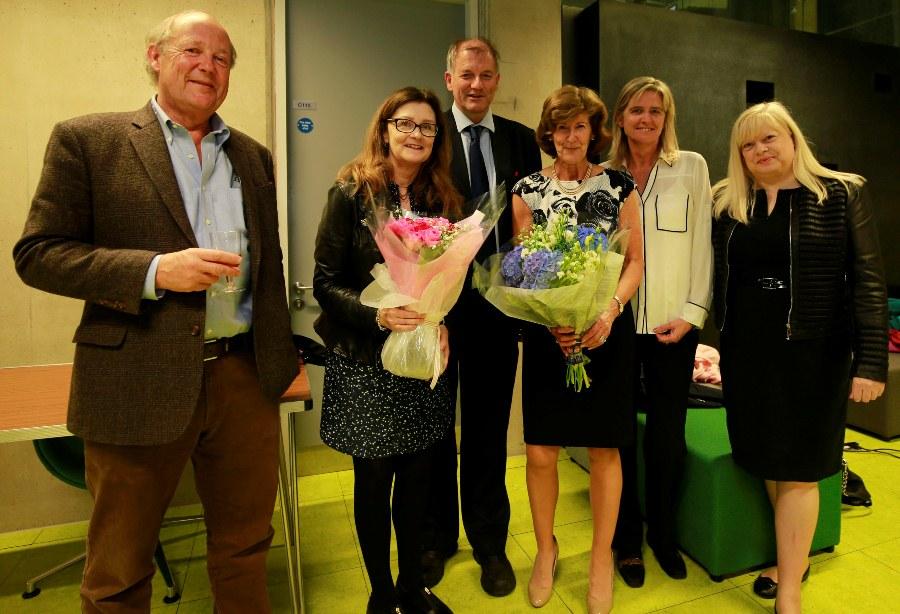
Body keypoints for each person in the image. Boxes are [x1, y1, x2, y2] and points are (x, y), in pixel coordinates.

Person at [12, 11, 298, 613]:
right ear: (154, 56)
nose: (208, 66)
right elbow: (39, 254)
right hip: (136, 377)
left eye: (222, 59)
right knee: (118, 568)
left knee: (246, 548)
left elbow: (265, 264)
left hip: (242, 377)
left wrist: (280, 358)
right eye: (193, 50)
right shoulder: (89, 140)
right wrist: (151, 272)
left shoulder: (253, 155)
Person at [712, 101, 887, 614]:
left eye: (769, 138)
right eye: (748, 144)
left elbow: (869, 280)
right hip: (747, 352)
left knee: (800, 467)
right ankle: (796, 558)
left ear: (793, 139)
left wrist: (872, 361)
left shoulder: (840, 192)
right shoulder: (729, 202)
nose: (760, 150)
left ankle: (789, 589)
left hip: (815, 352)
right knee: (770, 457)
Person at [313, 86, 461, 614]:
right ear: (384, 128)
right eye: (406, 124)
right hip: (364, 361)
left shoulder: (442, 198)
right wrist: (377, 313)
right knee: (374, 482)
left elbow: (449, 278)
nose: (416, 135)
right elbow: (325, 283)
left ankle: (410, 587)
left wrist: (441, 322)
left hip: (422, 362)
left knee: (419, 479)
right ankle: (380, 593)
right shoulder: (350, 194)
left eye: (427, 127)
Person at [510, 85, 644, 614]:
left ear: (594, 132)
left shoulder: (619, 185)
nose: (570, 136)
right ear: (549, 133)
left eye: (580, 126)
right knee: (541, 450)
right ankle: (546, 550)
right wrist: (552, 322)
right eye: (561, 127)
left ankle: (600, 559)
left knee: (603, 449)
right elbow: (522, 265)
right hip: (551, 335)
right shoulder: (526, 189)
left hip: (606, 331)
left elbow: (633, 261)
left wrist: (608, 311)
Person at [422, 37, 542, 596]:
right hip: (438, 310)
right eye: (466, 75)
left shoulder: (520, 141)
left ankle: (490, 542)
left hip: (498, 314)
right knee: (435, 429)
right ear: (450, 79)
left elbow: (529, 223)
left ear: (497, 80)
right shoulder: (427, 133)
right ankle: (438, 538)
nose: (476, 85)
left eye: (487, 75)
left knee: (490, 432)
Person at [606, 76, 713, 587]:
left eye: (656, 111)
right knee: (620, 435)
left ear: (667, 118)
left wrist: (693, 312)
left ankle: (663, 534)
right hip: (617, 326)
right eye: (637, 110)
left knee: (668, 437)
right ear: (620, 117)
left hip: (674, 325)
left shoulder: (690, 167)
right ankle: (626, 541)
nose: (646, 119)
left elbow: (703, 247)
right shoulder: (603, 177)